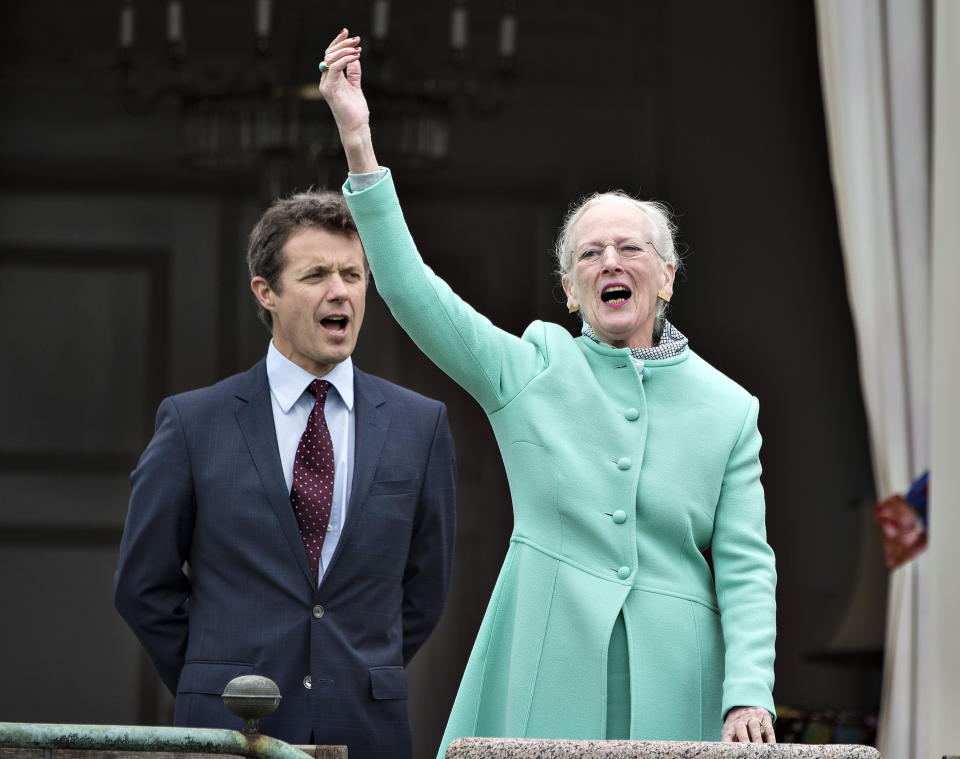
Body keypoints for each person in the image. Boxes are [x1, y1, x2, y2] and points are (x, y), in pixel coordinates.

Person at [317, 28, 778, 753]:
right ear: (570, 290)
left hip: (681, 673)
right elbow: (412, 292)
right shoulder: (532, 366)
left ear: (667, 276)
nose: (610, 261)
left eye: (630, 248)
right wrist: (358, 141)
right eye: (590, 254)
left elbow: (748, 564)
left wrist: (749, 686)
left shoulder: (729, 406)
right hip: (545, 659)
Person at [113, 189, 457, 759]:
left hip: (366, 729)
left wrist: (349, 670)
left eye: (353, 273)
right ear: (265, 292)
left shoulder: (421, 426)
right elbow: (142, 586)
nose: (340, 290)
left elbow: (425, 589)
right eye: (316, 274)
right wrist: (212, 676)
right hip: (228, 729)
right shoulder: (193, 422)